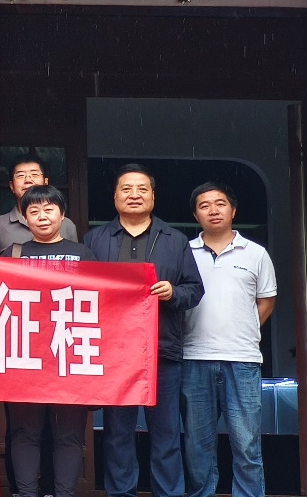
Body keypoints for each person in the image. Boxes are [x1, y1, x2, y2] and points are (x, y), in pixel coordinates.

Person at [84, 164, 203, 497]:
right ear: (115, 197)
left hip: (161, 351)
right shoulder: (95, 239)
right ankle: (121, 492)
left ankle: (169, 493)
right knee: (117, 433)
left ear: (153, 196)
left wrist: (173, 292)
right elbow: (81, 289)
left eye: (141, 189)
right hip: (113, 354)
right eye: (126, 189)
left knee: (166, 434)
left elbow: (195, 289)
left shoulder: (175, 240)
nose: (134, 195)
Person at [181, 182, 276, 497]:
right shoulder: (185, 252)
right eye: (204, 205)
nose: (213, 210)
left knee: (246, 443)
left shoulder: (256, 253)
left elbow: (266, 300)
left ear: (233, 210)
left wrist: (244, 329)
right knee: (197, 445)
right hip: (194, 358)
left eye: (220, 203)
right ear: (196, 215)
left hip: (242, 360)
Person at [0, 185, 93, 497]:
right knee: (25, 433)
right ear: (25, 218)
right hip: (25, 355)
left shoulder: (83, 254)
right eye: (34, 211)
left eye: (49, 209)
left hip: (70, 354)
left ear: (62, 215)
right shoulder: (12, 254)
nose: (42, 216)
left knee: (68, 435)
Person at [0, 155, 77, 254]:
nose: (28, 180)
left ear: (45, 182)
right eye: (20, 176)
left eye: (34, 174)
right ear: (12, 186)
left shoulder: (66, 224)